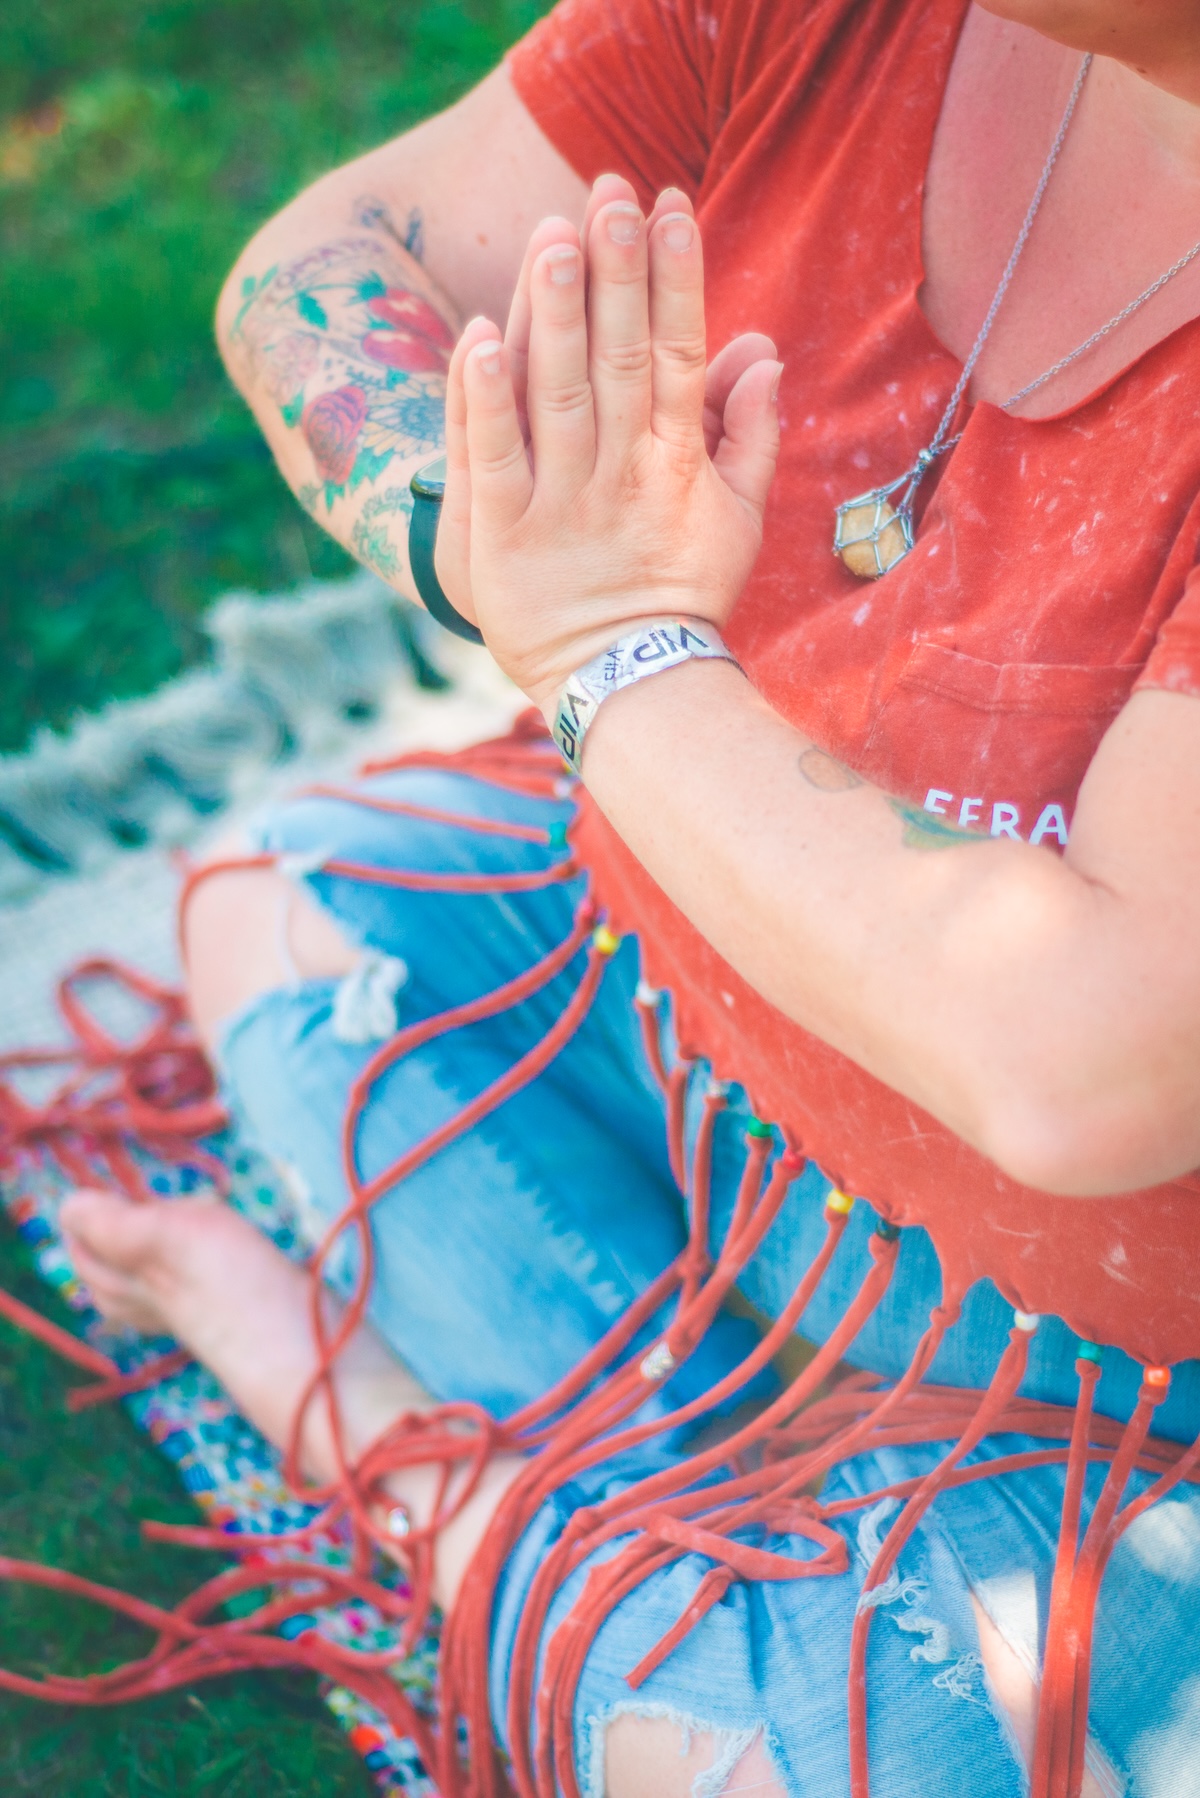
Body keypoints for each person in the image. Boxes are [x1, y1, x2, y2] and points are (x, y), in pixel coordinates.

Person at [58, 2, 1200, 1793]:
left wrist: (613, 654)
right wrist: (477, 535)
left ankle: (362, 1425)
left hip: (1086, 1361)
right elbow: (313, 266)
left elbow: (1093, 1061)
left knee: (880, 1765)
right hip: (672, 1013)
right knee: (285, 919)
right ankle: (739, 1508)